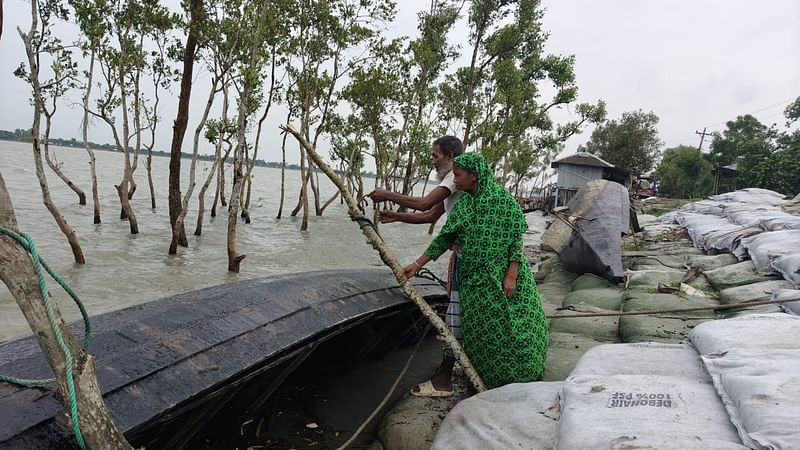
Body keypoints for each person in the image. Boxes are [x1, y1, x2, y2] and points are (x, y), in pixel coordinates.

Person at [402, 152, 548, 391]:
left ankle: (517, 377)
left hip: (502, 279)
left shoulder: (503, 202)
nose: (455, 180)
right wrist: (417, 265)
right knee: (479, 334)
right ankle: (485, 379)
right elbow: (445, 238)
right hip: (473, 282)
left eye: (458, 176)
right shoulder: (464, 204)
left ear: (474, 175)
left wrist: (510, 276)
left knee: (511, 328)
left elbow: (515, 242)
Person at [368, 135, 464, 397]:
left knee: (455, 315)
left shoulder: (454, 179)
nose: (433, 161)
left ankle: (444, 378)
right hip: (459, 253)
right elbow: (431, 216)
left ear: (451, 157)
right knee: (458, 312)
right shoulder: (452, 181)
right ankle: (456, 366)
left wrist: (387, 194)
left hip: (466, 255)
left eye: (436, 156)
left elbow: (424, 204)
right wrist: (396, 216)